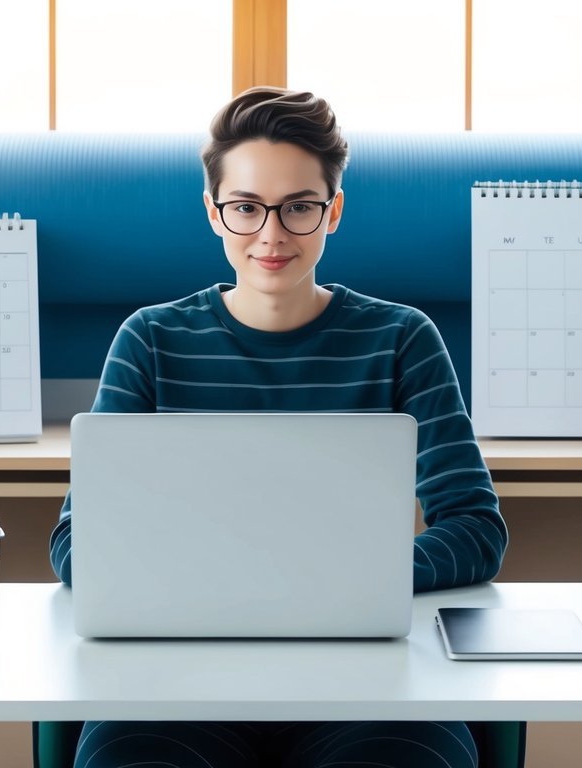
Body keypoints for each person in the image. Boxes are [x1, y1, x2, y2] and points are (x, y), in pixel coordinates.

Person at [48, 86, 507, 768]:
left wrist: (349, 584)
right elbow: (76, 544)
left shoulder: (400, 339)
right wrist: (254, 584)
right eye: (245, 208)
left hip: (367, 687)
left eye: (298, 207)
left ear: (333, 212)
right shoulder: (150, 339)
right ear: (213, 213)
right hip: (176, 687)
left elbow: (475, 528)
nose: (271, 235)